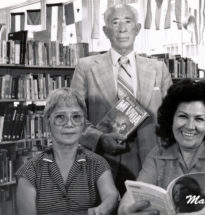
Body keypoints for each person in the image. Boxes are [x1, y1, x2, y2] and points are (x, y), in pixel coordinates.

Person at [71, 4, 172, 195]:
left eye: (128, 21)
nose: (122, 28)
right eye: (115, 22)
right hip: (102, 162)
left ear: (137, 28)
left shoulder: (159, 69)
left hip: (151, 163)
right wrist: (99, 138)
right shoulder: (85, 67)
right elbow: (74, 118)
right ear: (106, 31)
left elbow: (172, 117)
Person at [118, 79, 205, 215]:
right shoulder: (157, 154)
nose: (190, 126)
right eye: (183, 116)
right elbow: (133, 194)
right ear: (171, 119)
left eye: (199, 119)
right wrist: (124, 209)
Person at [15, 88, 119, 215]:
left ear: (83, 123)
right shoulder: (30, 170)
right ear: (48, 122)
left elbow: (111, 195)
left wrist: (103, 209)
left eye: (76, 117)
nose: (69, 124)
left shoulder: (97, 163)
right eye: (60, 117)